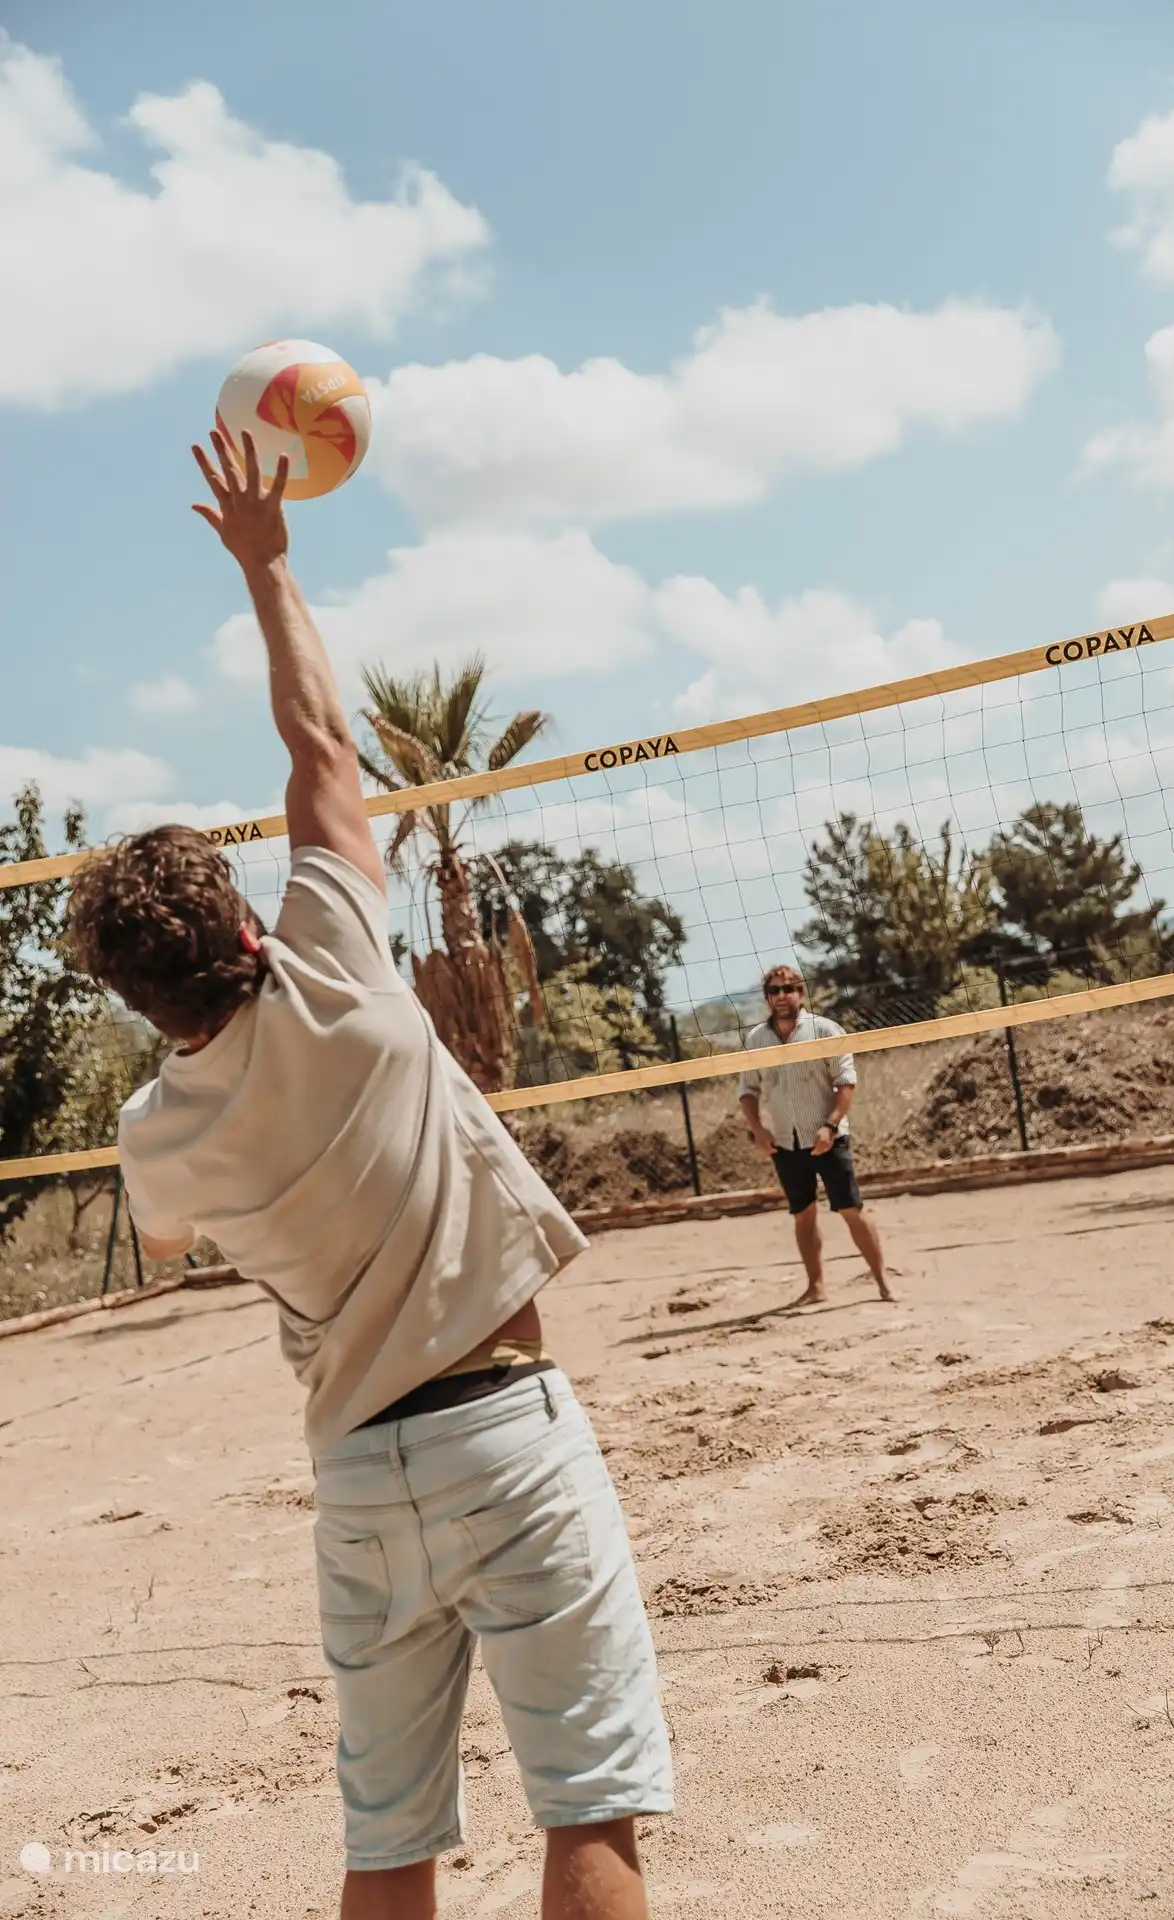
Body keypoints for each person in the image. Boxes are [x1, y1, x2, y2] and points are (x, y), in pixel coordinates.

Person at [68, 431, 673, 1920]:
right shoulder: (337, 974)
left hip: (356, 1476)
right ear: (255, 929)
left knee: (387, 1842)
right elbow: (324, 753)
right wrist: (268, 563)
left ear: (147, 1001)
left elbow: (163, 1236)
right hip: (502, 1439)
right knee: (588, 1810)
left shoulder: (154, 1134)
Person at [738, 964, 894, 1307]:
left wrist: (831, 1124)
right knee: (803, 1214)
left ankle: (883, 1282)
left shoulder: (824, 1030)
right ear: (767, 998)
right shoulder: (756, 1039)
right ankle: (816, 1286)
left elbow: (846, 1082)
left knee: (850, 1208)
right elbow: (747, 1091)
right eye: (775, 991)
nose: (782, 996)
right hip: (784, 1140)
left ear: (801, 993)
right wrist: (758, 1130)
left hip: (827, 1136)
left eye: (788, 989)